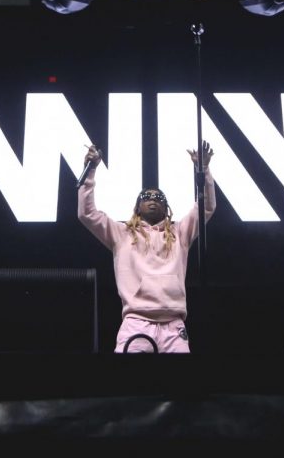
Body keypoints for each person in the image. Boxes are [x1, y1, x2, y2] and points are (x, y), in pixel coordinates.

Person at [78, 141, 215, 353]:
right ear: (137, 207)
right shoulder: (122, 234)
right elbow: (87, 214)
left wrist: (203, 171)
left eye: (159, 197)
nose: (153, 199)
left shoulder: (180, 233)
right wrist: (91, 171)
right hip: (136, 322)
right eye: (147, 197)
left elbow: (206, 207)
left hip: (174, 325)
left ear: (167, 208)